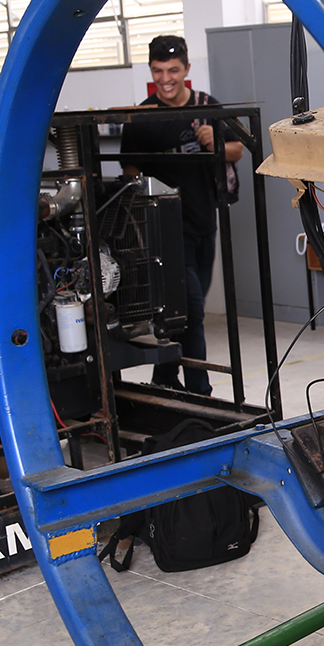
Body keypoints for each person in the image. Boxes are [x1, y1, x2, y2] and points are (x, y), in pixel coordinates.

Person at [121, 34, 242, 395]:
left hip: (205, 223)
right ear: (151, 71)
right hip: (166, 233)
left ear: (186, 69)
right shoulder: (141, 118)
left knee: (187, 309)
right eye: (158, 71)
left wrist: (215, 143)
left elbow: (239, 148)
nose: (166, 79)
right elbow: (129, 171)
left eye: (173, 70)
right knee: (191, 313)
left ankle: (164, 375)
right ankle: (199, 390)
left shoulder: (206, 107)